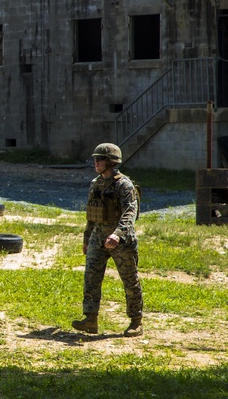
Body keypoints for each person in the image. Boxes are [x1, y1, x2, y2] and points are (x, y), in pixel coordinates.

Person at [72, 142, 143, 337]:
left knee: (129, 279)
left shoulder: (124, 185)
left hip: (121, 240)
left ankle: (136, 321)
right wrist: (87, 238)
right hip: (98, 237)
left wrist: (117, 234)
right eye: (95, 159)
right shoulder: (96, 183)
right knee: (91, 277)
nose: (96, 162)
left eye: (100, 159)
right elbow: (91, 212)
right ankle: (90, 319)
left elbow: (130, 212)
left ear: (111, 162)